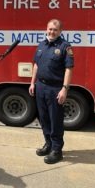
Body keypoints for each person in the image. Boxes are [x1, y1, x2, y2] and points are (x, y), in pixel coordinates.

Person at [28, 19, 74, 164]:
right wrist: (32, 83)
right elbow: (36, 65)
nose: (51, 32)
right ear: (46, 29)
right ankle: (48, 144)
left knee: (55, 120)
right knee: (43, 119)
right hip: (40, 86)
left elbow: (69, 69)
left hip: (55, 88)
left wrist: (64, 89)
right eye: (49, 29)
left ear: (60, 31)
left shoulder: (64, 46)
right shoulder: (42, 45)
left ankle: (57, 150)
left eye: (55, 29)